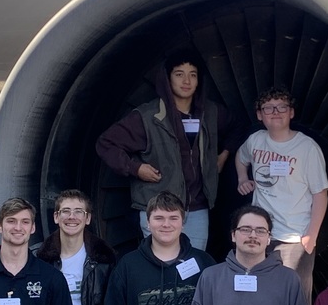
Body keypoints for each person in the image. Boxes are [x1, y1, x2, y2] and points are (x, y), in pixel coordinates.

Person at [95, 49, 236, 249]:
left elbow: (237, 128)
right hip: (158, 210)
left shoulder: (211, 113)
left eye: (192, 75)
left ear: (199, 81)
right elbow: (106, 143)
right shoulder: (147, 117)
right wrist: (136, 168)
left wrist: (223, 155)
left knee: (192, 267)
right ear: (167, 79)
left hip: (197, 210)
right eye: (179, 74)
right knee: (161, 266)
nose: (186, 81)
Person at [234, 87, 328, 305]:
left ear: (291, 113)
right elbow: (241, 157)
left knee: (293, 301)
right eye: (268, 108)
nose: (275, 112)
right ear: (259, 115)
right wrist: (242, 179)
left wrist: (310, 237)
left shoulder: (307, 148)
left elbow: (320, 194)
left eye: (282, 107)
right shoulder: (256, 140)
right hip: (259, 236)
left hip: (294, 238)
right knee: (256, 297)